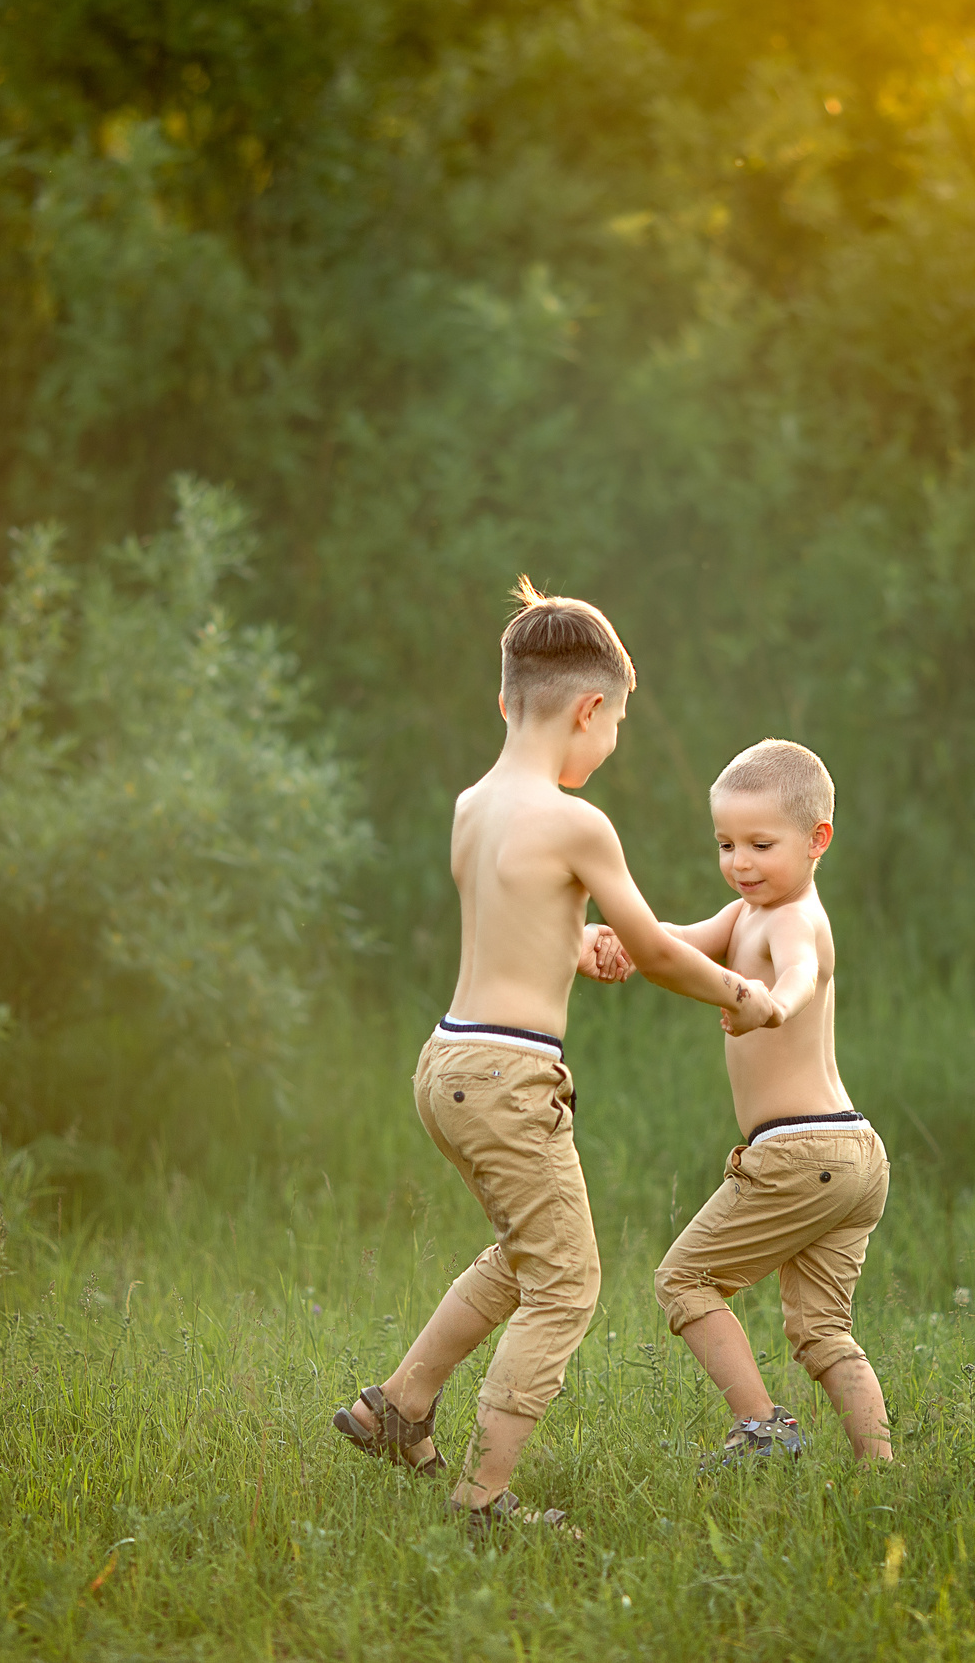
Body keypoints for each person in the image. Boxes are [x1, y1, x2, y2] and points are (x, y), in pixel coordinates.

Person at [331, 578, 780, 1530]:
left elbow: (513, 921)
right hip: (509, 1075)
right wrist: (740, 992)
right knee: (568, 1282)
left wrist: (577, 944)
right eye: (612, 722)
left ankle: (397, 1407)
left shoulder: (472, 804)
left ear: (505, 700)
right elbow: (658, 948)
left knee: (524, 1255)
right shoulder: (579, 821)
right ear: (588, 709)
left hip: (448, 1063)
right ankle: (483, 1499)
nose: (608, 743)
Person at [648, 738, 894, 1464]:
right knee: (822, 1331)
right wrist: (612, 939)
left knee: (684, 1278)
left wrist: (768, 1006)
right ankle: (882, 1476)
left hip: (800, 1152)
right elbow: (674, 944)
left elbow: (801, 973)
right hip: (851, 1155)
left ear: (817, 841)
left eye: (760, 843)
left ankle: (762, 1429)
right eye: (726, 843)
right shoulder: (741, 915)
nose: (740, 862)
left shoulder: (793, 919)